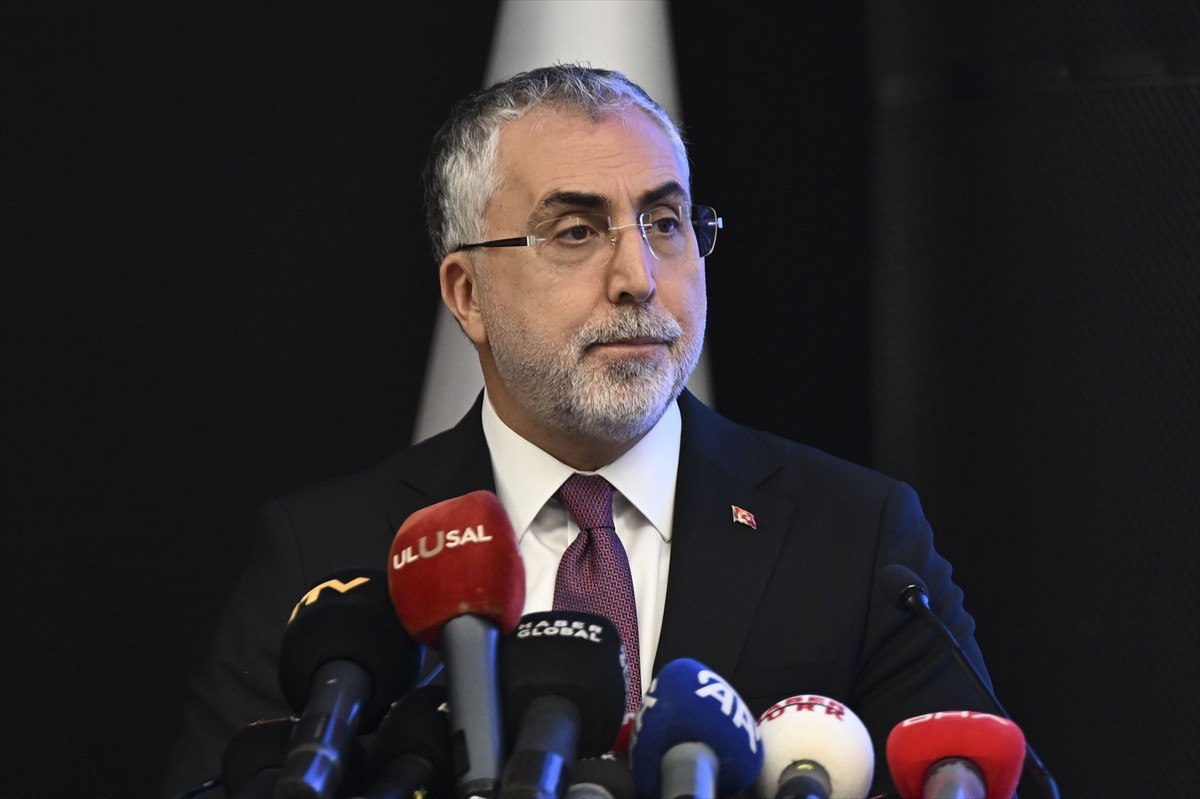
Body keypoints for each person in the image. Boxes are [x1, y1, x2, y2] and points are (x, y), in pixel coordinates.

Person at [163, 64, 994, 797]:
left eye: (664, 223)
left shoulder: (860, 540)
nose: (639, 277)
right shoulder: (324, 555)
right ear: (467, 294)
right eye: (576, 232)